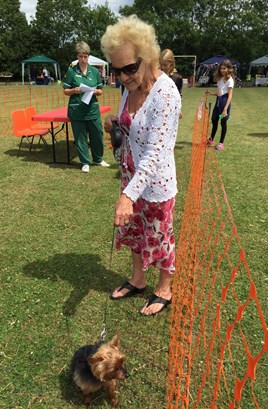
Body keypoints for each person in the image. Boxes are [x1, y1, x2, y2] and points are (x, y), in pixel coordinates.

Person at [101, 15, 181, 316]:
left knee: (160, 236)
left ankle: (164, 288)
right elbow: (130, 126)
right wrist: (114, 123)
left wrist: (127, 196)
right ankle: (137, 279)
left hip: (155, 183)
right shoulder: (128, 89)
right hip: (130, 178)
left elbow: (156, 153)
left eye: (130, 68)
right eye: (117, 70)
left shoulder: (166, 94)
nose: (123, 77)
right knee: (134, 232)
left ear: (146, 57)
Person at [63, 41, 110, 172]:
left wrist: (96, 91)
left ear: (88, 56)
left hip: (92, 109)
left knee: (97, 135)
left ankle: (98, 158)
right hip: (77, 110)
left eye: (85, 56)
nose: (83, 59)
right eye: (80, 56)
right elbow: (65, 91)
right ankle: (85, 162)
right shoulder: (71, 71)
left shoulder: (94, 71)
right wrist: (74, 90)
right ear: (77, 56)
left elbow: (100, 90)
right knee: (80, 137)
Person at [206, 60, 234, 150]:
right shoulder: (220, 79)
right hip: (218, 104)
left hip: (224, 104)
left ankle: (221, 143)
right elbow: (219, 93)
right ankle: (211, 140)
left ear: (229, 69)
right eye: (221, 68)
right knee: (214, 120)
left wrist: (225, 109)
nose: (222, 70)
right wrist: (210, 94)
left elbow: (229, 95)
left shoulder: (230, 80)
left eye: (224, 68)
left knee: (223, 122)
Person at [159, 49, 183, 119]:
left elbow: (179, 96)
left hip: (170, 113)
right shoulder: (156, 75)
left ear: (171, 63)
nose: (162, 67)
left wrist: (179, 109)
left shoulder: (177, 78)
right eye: (161, 64)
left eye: (165, 65)